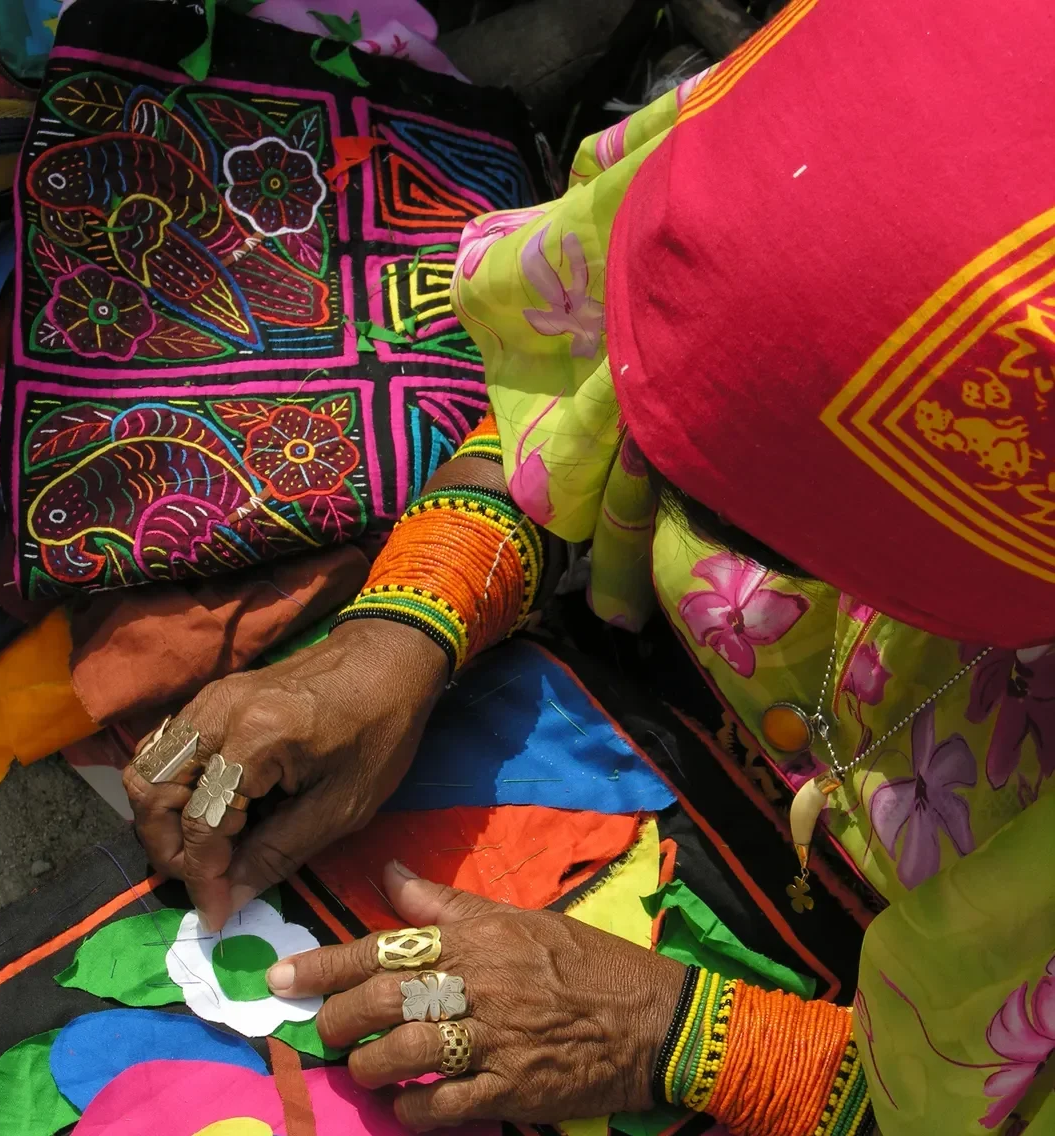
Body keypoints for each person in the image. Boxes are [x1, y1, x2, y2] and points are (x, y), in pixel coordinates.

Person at [124, 0, 1055, 1133]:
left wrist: (690, 1037)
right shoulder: (863, 106)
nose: (656, 477)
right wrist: (399, 629)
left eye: (765, 523)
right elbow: (591, 387)